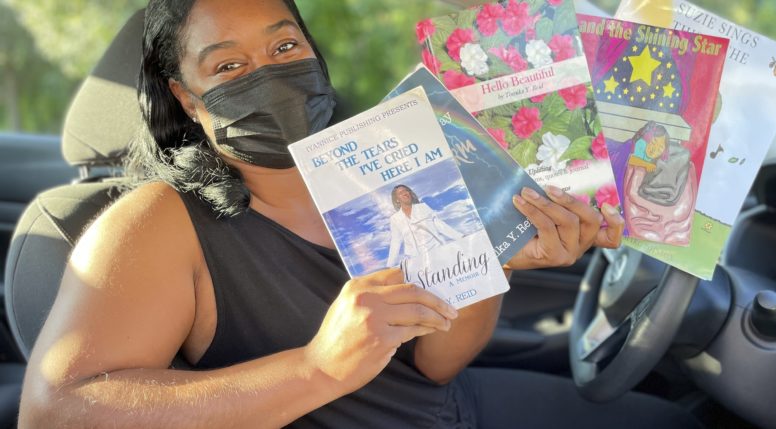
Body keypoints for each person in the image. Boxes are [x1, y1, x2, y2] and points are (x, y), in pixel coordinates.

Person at [17, 1, 701, 428]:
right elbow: (56, 411)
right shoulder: (156, 219)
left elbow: (434, 364)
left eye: (286, 48)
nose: (270, 74)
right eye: (228, 67)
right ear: (186, 97)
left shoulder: (391, 162)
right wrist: (318, 368)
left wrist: (492, 255)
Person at [386, 184, 463, 267]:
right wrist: (389, 266)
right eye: (401, 192)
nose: (405, 193)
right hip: (417, 260)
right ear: (397, 199)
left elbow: (440, 226)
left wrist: (460, 236)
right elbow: (395, 242)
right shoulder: (395, 219)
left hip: (437, 250)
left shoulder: (423, 207)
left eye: (406, 191)